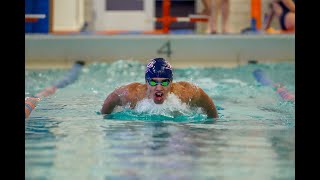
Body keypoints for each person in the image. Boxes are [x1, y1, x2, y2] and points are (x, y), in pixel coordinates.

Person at [100, 58, 219, 118]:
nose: (159, 87)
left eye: (165, 82)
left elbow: (209, 107)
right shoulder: (131, 95)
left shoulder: (186, 93)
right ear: (146, 82)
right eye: (153, 82)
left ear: (171, 82)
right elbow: (110, 101)